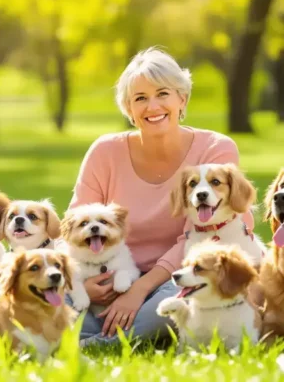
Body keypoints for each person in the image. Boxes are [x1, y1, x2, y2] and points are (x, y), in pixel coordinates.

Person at [67, 46, 255, 347]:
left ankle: (96, 343)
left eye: (163, 94)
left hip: (178, 276)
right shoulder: (105, 152)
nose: (152, 106)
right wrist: (83, 286)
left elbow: (208, 233)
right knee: (47, 293)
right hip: (109, 272)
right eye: (140, 98)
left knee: (171, 307)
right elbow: (73, 225)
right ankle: (86, 331)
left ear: (182, 99)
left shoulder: (215, 149)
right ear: (129, 109)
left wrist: (139, 289)